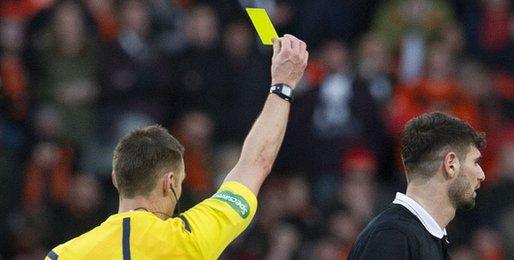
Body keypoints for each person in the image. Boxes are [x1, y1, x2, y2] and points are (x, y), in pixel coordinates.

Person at [45, 34, 308, 259]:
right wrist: (283, 85)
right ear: (169, 182)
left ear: (116, 178)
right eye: (180, 183)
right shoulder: (190, 238)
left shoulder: (63, 254)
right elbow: (255, 164)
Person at [348, 112, 486, 259]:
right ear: (451, 164)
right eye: (475, 162)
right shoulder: (393, 236)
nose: (482, 175)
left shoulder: (421, 238)